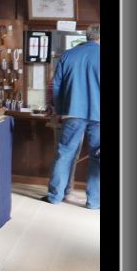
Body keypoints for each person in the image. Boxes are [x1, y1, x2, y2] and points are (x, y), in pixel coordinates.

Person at [44, 24, 101, 209]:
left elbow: (57, 87)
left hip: (72, 112)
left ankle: (54, 196)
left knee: (65, 153)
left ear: (88, 36)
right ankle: (94, 201)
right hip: (99, 115)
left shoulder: (68, 55)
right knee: (97, 156)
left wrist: (60, 110)